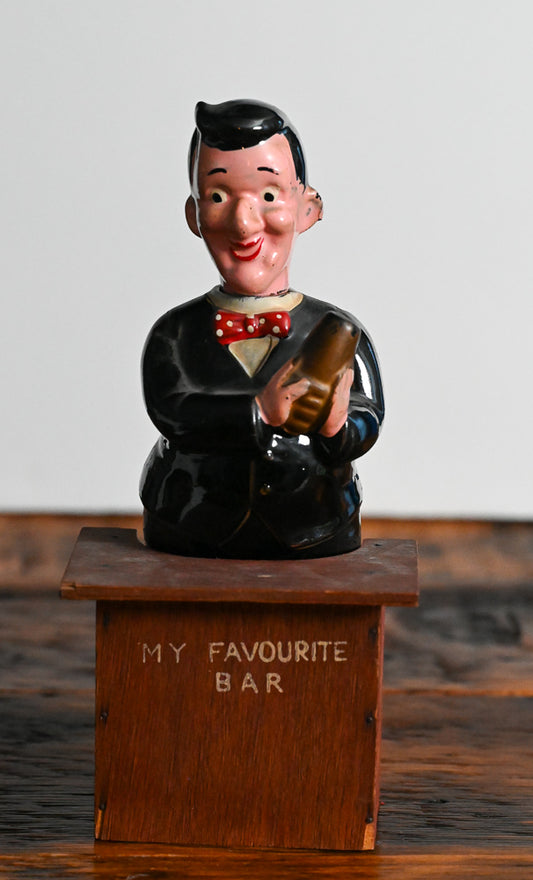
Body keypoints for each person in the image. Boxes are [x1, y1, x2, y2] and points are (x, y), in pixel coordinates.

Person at [140, 99, 384, 558]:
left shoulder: (339, 331)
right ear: (194, 216)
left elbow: (368, 413)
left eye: (268, 196)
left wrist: (339, 425)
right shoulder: (173, 333)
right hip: (190, 518)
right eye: (218, 196)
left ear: (307, 209)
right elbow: (173, 410)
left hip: (315, 519)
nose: (243, 222)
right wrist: (259, 412)